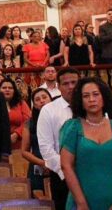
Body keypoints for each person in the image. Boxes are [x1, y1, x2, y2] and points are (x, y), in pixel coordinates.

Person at [60, 77, 112, 210]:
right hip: (80, 201)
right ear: (80, 101)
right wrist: (81, 203)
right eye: (86, 96)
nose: (91, 99)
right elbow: (66, 166)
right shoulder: (73, 127)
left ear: (104, 97)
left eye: (95, 94)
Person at [38, 67, 81, 210]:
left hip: (91, 172)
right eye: (66, 83)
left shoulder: (93, 107)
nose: (71, 87)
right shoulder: (48, 110)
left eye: (74, 82)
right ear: (58, 86)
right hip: (62, 176)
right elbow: (46, 149)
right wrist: (66, 170)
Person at [21, 88, 53, 193]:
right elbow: (24, 152)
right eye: (37, 99)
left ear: (51, 99)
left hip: (59, 165)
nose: (42, 101)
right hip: (37, 165)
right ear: (34, 105)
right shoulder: (29, 123)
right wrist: (42, 163)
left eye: (44, 97)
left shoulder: (60, 118)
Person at [0, 79, 31, 153]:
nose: (7, 90)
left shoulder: (21, 103)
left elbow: (28, 121)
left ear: (14, 90)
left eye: (10, 88)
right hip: (0, 143)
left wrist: (17, 134)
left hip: (19, 142)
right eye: (4, 88)